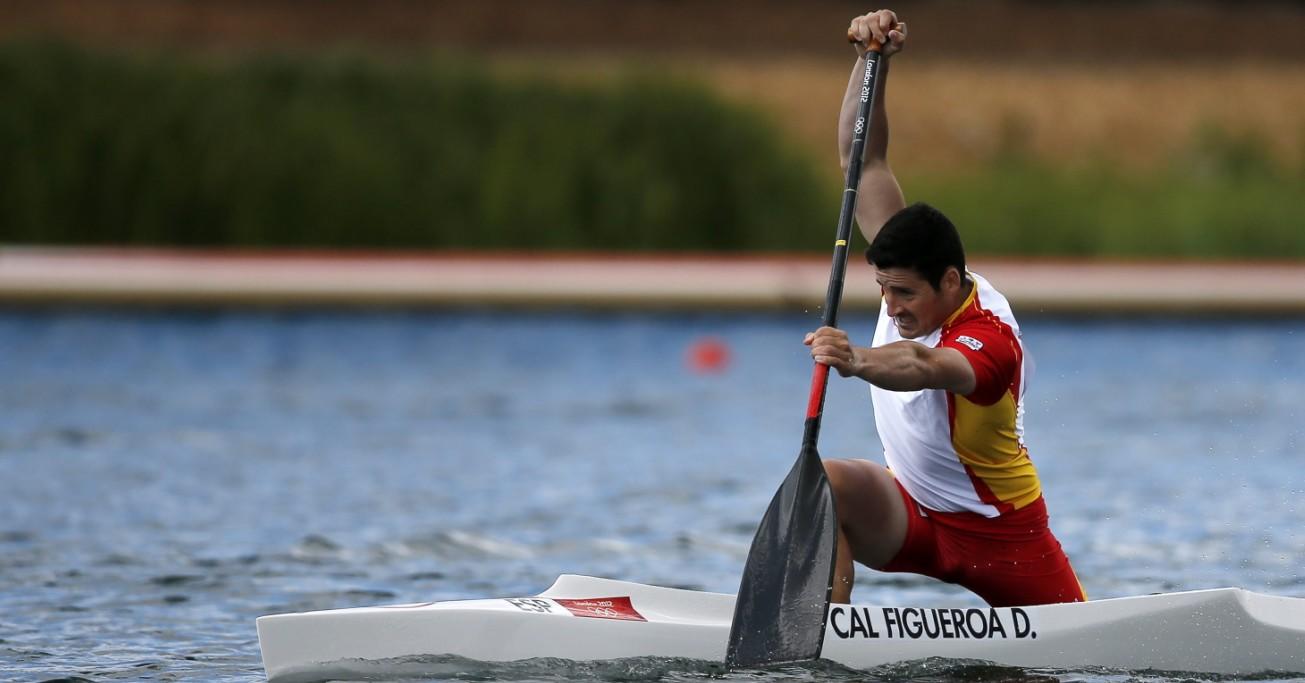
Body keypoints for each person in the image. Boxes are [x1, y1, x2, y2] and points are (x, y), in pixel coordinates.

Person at [803, 9, 1086, 608]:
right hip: (914, 513)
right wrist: (870, 63)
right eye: (883, 288)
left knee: (1080, 646)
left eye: (904, 293)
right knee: (822, 484)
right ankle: (826, 632)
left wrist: (854, 359)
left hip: (1005, 537)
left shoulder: (992, 335)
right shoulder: (907, 269)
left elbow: (923, 366)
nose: (891, 305)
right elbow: (863, 161)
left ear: (950, 281)